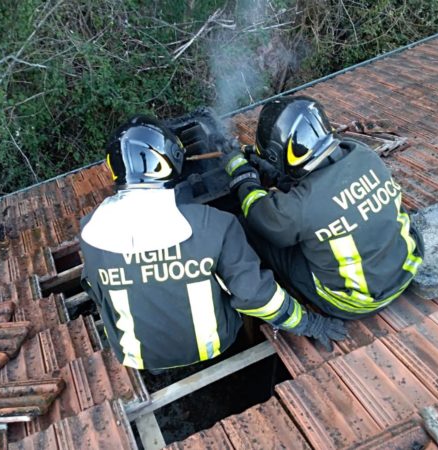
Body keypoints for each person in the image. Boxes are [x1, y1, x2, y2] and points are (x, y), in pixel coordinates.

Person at [78, 116, 347, 371]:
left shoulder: (89, 230)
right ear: (170, 159)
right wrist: (309, 323)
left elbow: (94, 289)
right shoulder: (216, 224)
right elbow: (255, 296)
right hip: (214, 345)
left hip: (137, 355)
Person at [222, 96, 424, 320]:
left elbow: (261, 214)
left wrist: (241, 171)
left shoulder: (298, 210)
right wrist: (271, 169)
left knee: (245, 224)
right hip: (405, 268)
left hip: (356, 302)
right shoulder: (362, 153)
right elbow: (322, 187)